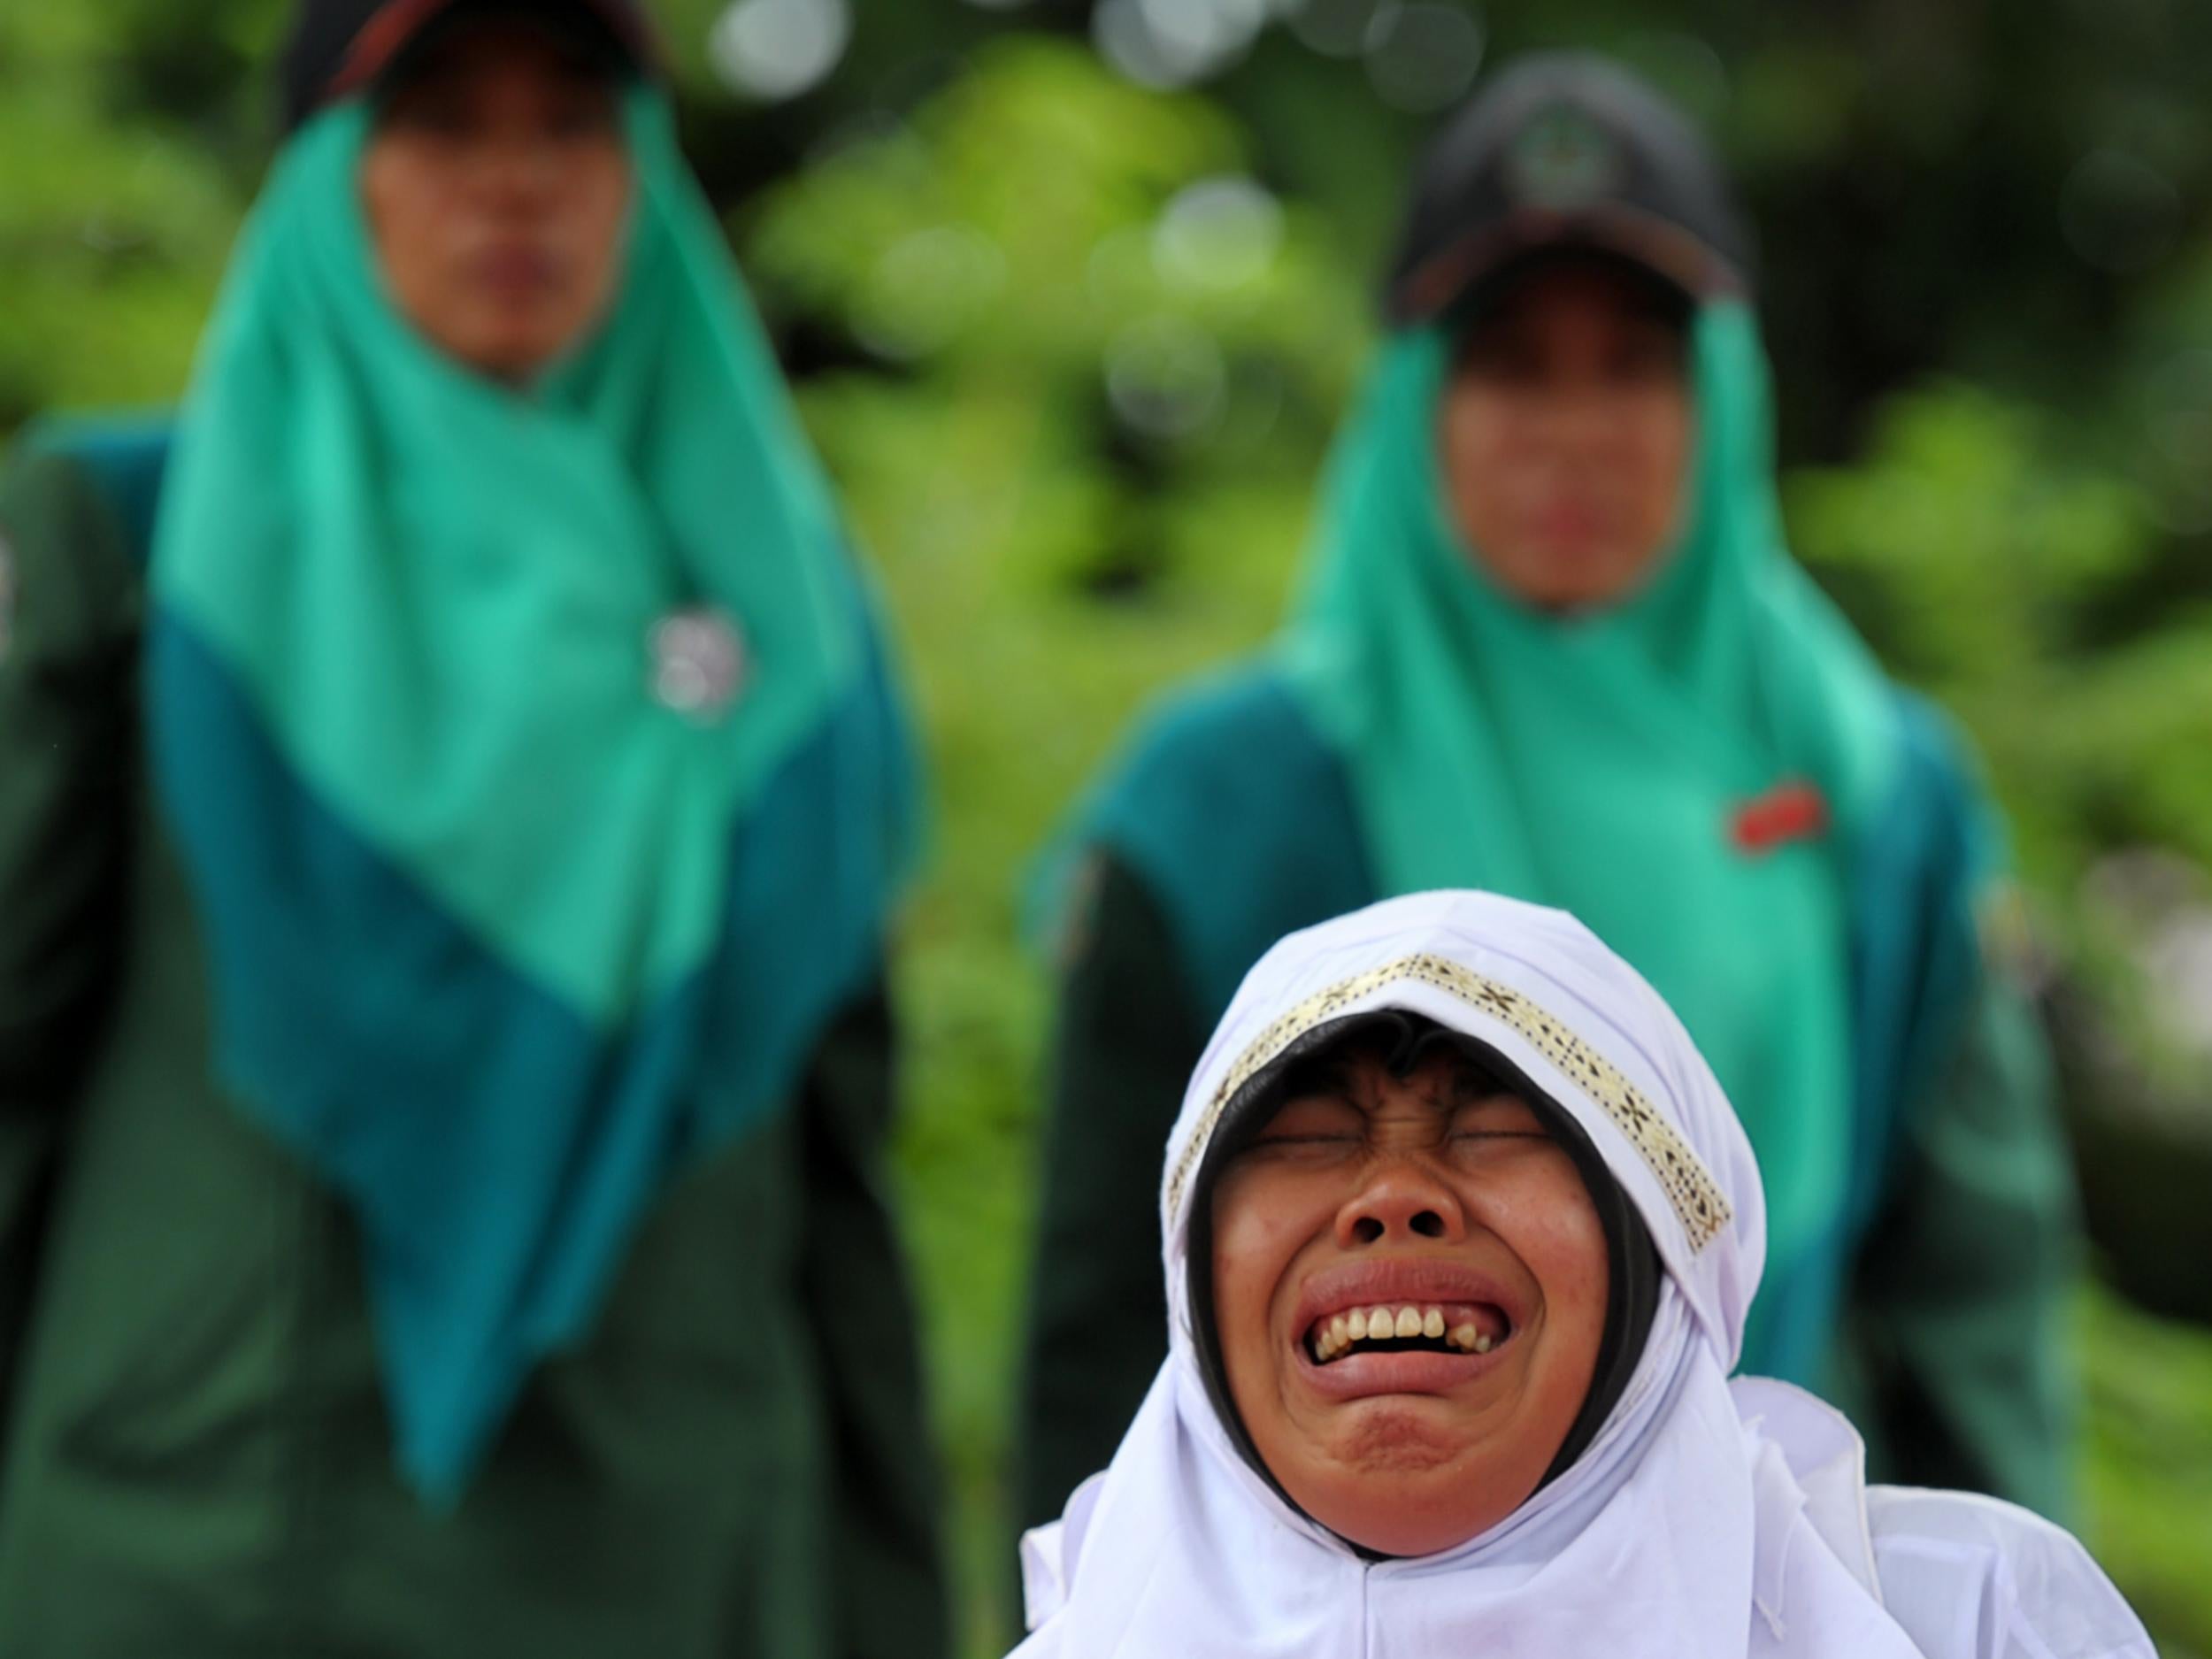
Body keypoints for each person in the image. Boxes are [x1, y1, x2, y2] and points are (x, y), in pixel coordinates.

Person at [1018, 52, 2078, 1539]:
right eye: (1512, 362)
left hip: (1788, 1594)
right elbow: (1105, 1350)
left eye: (1634, 365)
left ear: (1723, 395)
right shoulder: (1228, 805)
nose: (1572, 429)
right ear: (1413, 405)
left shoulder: (1876, 796)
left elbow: (1972, 1315)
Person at [0, 3, 945, 1654]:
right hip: (206, 1558)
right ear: (325, 182)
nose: (515, 186)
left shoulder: (789, 624)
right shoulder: (143, 550)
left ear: (647, 178)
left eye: (572, 125)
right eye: (441, 122)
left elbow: (838, 1207)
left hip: (679, 1560)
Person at [1013, 890, 2149, 1659]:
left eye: (1495, 1131)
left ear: (1661, 1256)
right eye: (1305, 1138)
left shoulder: (1963, 1618)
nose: (1392, 1195)